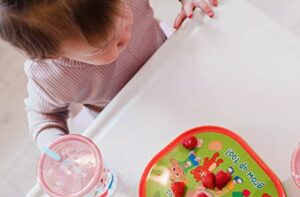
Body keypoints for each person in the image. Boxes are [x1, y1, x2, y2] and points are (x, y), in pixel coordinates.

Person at [0, 0, 218, 147]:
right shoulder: (49, 77)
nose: (125, 34)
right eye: (103, 46)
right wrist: (60, 149)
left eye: (123, 11)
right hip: (133, 123)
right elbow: (42, 115)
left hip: (176, 67)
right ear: (54, 55)